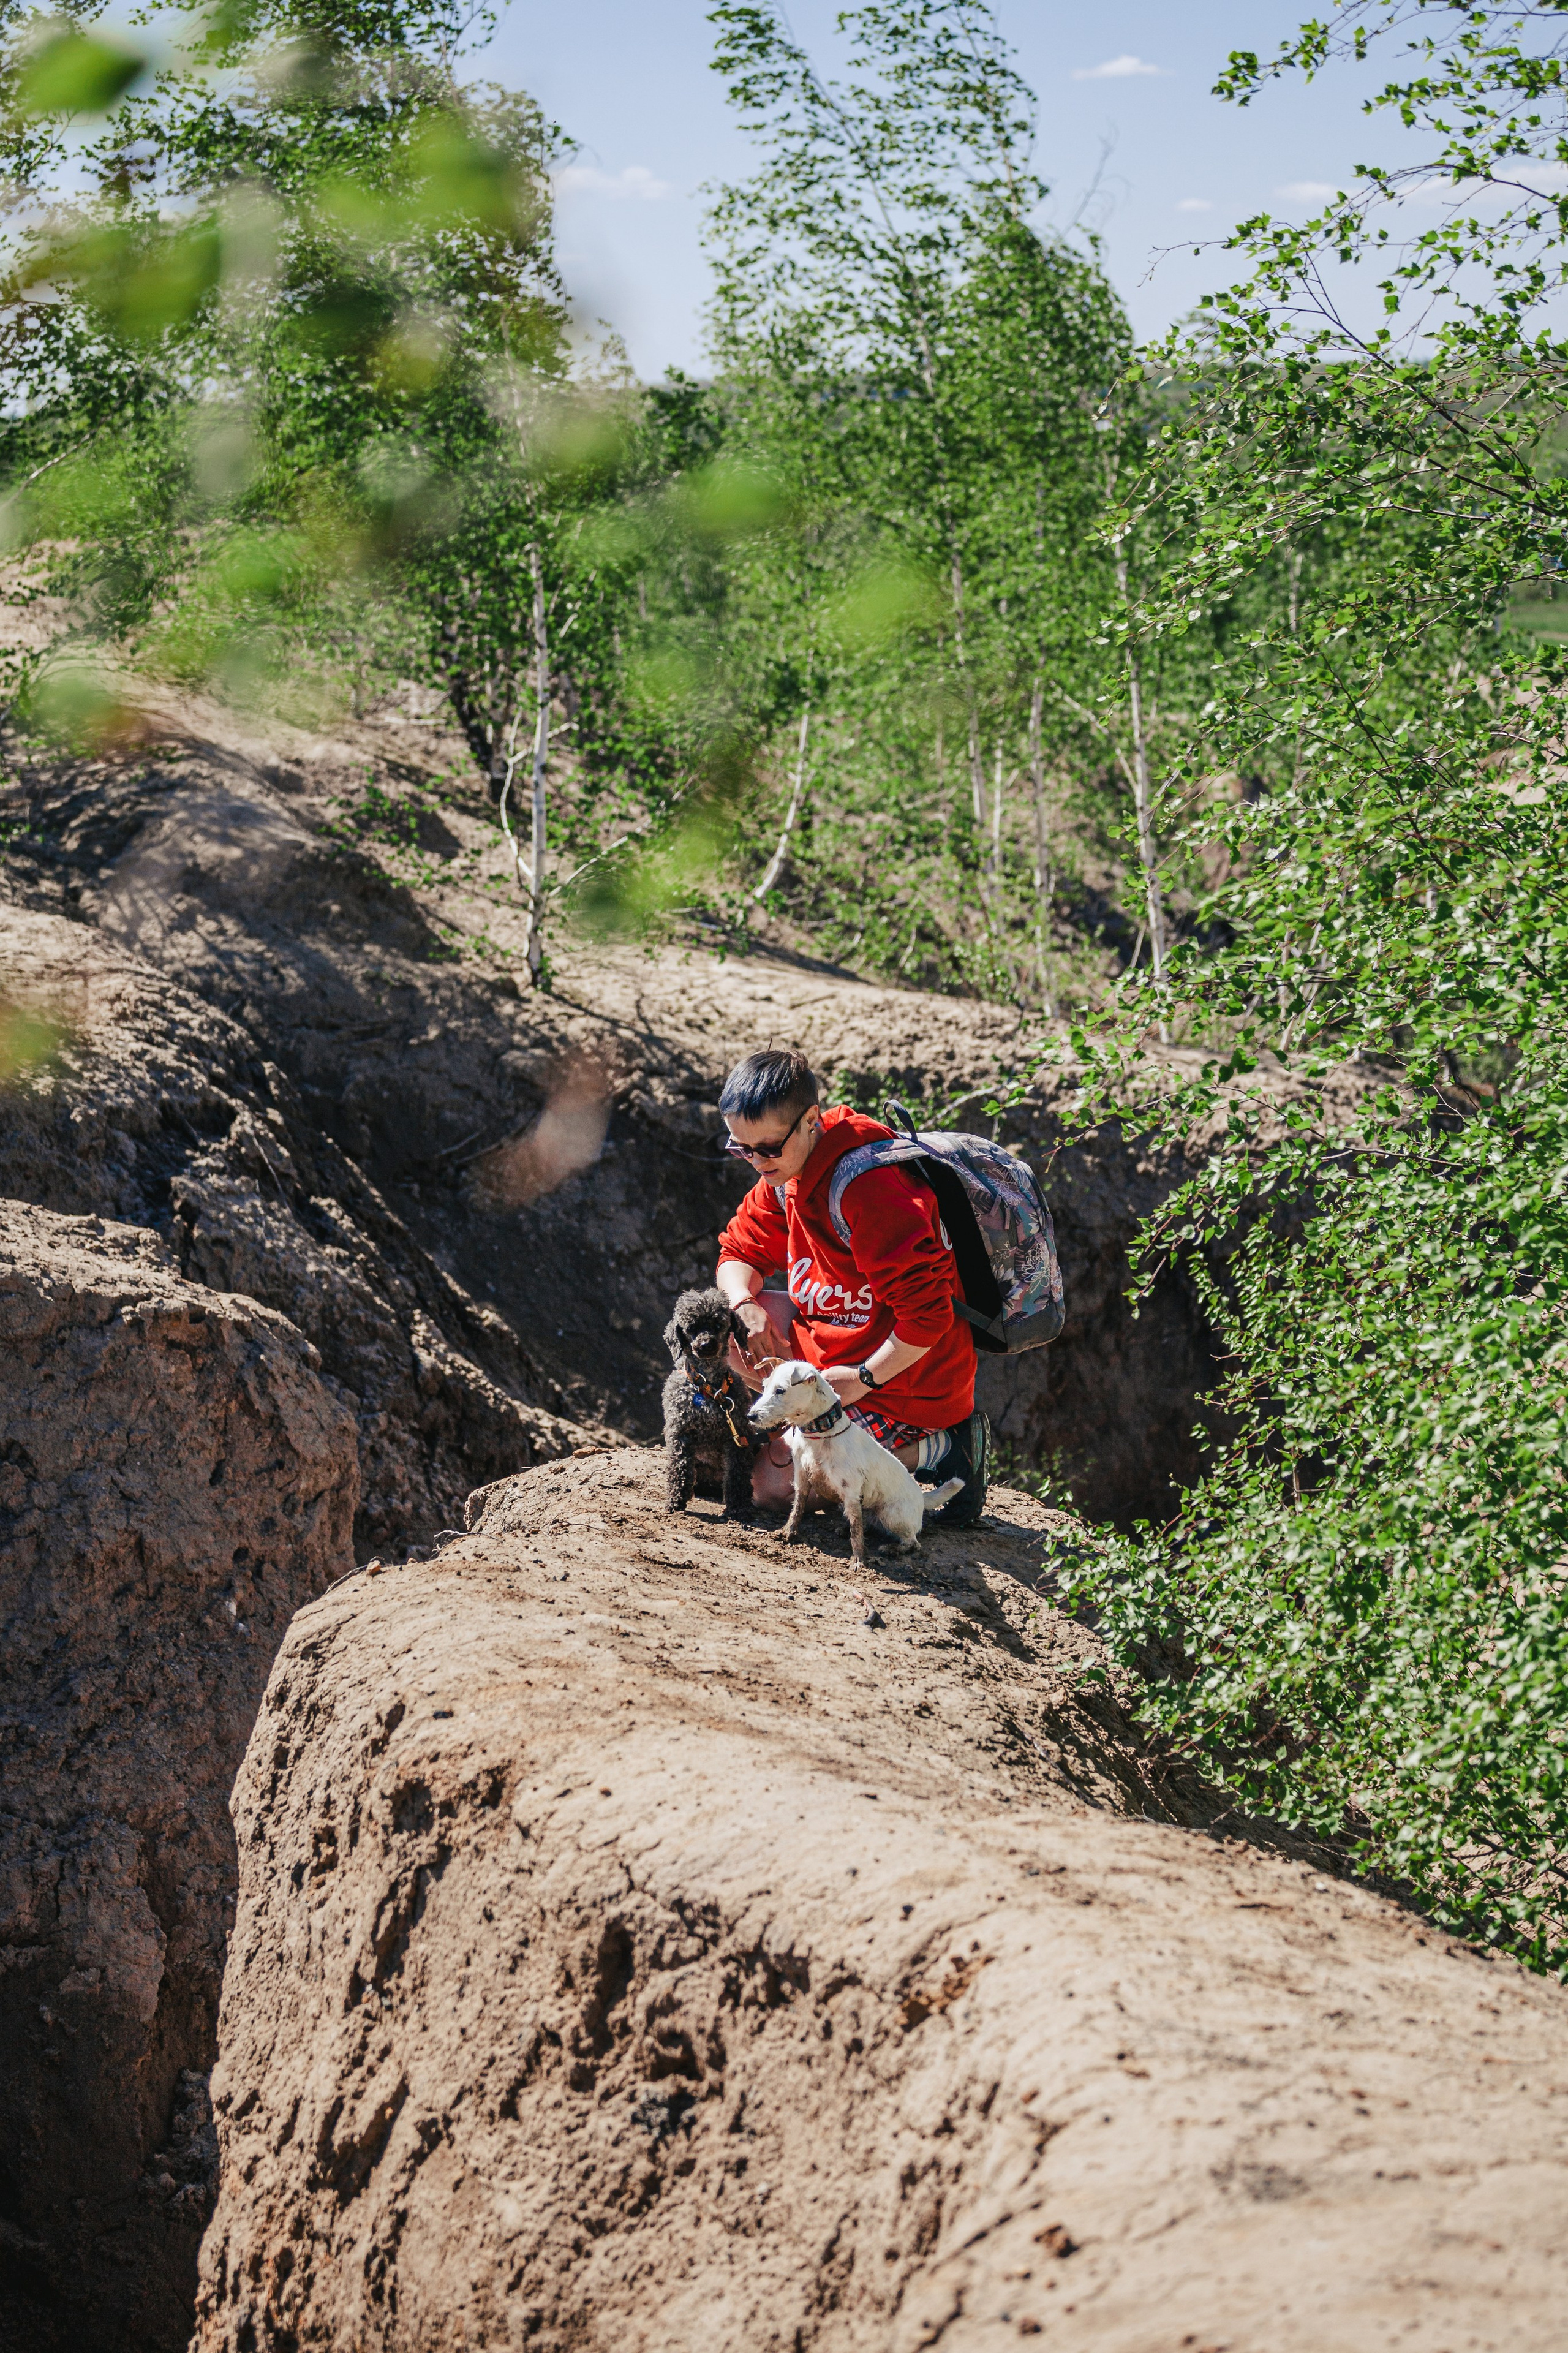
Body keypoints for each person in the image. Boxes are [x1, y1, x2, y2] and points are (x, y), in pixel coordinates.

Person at [714, 1047, 989, 1527]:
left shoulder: (870, 1189)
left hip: (904, 1377)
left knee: (775, 1490)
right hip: (833, 1347)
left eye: (767, 1148)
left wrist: (860, 1379)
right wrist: (744, 1305)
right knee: (724, 1335)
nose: (756, 1162)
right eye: (742, 1148)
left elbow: (929, 1319)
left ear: (811, 1121)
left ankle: (943, 1446)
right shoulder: (785, 1173)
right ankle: (800, 1434)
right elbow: (736, 1254)